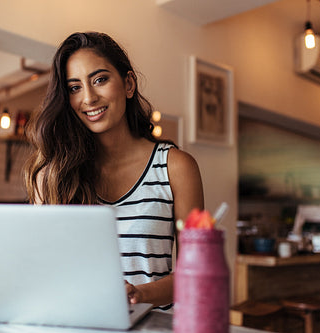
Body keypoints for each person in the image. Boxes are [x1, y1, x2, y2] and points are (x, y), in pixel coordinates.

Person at [24, 32, 204, 310]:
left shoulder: (176, 167)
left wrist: (139, 294)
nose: (89, 98)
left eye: (99, 80)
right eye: (74, 88)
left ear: (128, 83)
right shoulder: (52, 174)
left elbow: (195, 276)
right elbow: (42, 267)